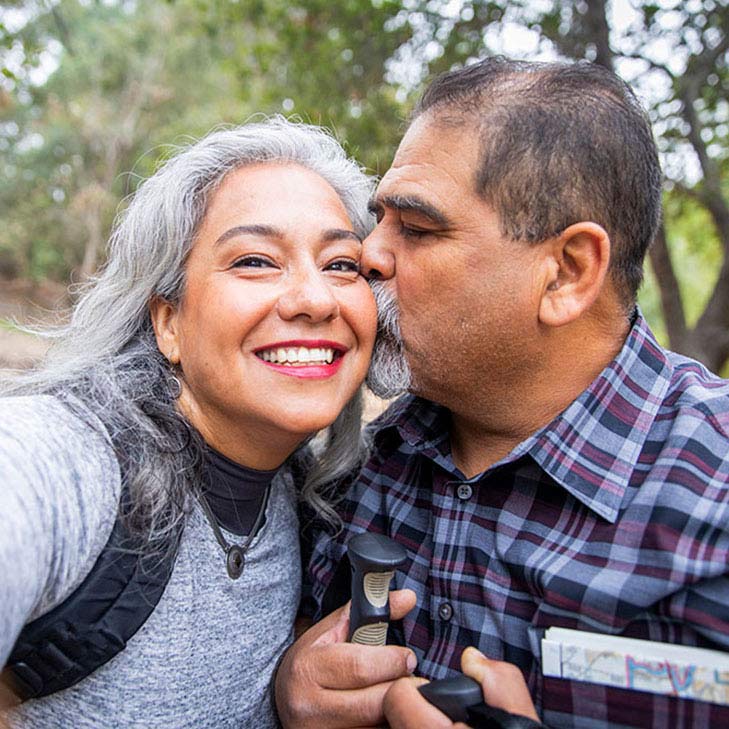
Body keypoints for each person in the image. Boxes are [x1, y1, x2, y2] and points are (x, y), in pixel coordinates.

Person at [274, 58, 729, 728]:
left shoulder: (713, 499)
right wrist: (290, 688)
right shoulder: (364, 464)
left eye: (418, 228)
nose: (368, 253)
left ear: (567, 273)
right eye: (380, 219)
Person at [0, 117, 378, 728]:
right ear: (168, 322)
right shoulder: (73, 458)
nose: (315, 298)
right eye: (255, 261)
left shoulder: (313, 500)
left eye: (341, 264)